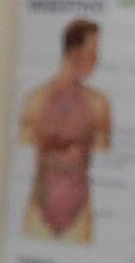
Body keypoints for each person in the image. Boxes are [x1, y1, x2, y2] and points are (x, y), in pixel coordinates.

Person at [19, 16, 112, 242]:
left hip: (78, 215)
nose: (96, 58)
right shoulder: (36, 100)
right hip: (40, 213)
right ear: (74, 51)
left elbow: (104, 153)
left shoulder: (98, 103)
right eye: (93, 50)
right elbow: (24, 149)